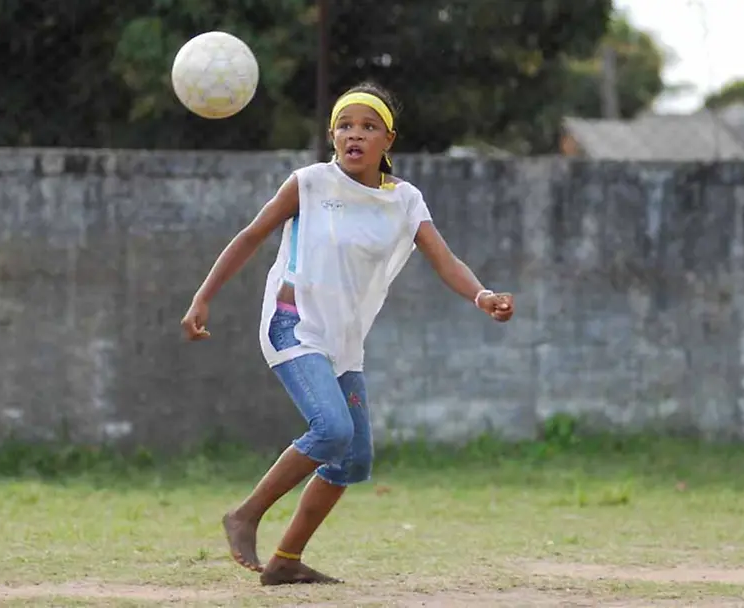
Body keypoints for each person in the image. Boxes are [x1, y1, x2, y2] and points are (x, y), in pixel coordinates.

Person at [180, 81, 515, 586]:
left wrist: (482, 295)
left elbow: (445, 260)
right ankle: (245, 515)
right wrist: (203, 296)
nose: (354, 134)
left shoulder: (405, 200)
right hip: (293, 323)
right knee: (332, 430)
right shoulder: (310, 183)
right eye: (344, 126)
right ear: (332, 135)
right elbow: (250, 236)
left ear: (388, 140)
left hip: (343, 342)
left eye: (368, 126)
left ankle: (286, 561)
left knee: (353, 460)